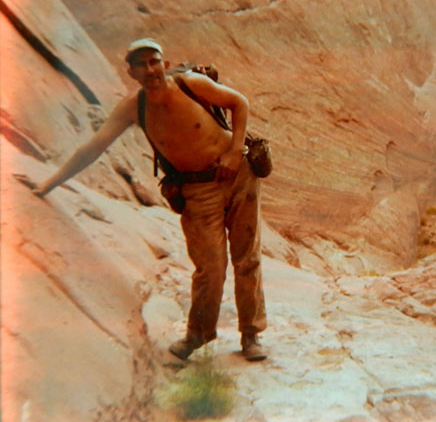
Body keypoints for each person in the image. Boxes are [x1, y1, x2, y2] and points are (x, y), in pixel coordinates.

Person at [33, 38, 268, 361]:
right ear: (131, 72)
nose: (150, 70)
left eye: (154, 61)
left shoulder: (190, 84)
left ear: (165, 64)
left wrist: (234, 151)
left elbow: (239, 102)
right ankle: (197, 335)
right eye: (141, 65)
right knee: (209, 267)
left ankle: (251, 334)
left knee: (247, 256)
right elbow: (93, 147)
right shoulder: (134, 108)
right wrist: (48, 184)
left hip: (238, 174)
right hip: (197, 190)